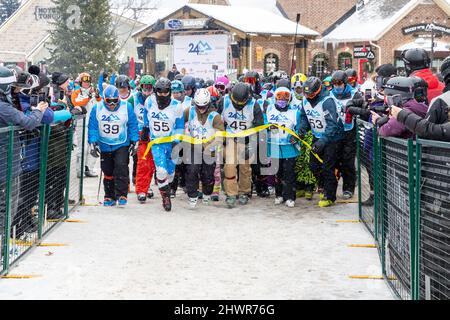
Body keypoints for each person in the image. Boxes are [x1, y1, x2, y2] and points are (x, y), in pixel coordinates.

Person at [0, 66, 47, 241]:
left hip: (7, 162)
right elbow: (28, 122)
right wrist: (38, 111)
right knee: (7, 207)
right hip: (6, 165)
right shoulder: (4, 107)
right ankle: (2, 248)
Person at [88, 85, 139, 207]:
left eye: (115, 101)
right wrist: (93, 142)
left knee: (121, 166)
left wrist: (134, 140)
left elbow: (132, 124)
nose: (112, 104)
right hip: (105, 143)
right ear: (104, 99)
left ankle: (121, 194)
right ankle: (109, 196)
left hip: (121, 143)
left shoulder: (126, 107)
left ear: (118, 99)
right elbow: (93, 126)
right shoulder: (97, 108)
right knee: (107, 170)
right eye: (109, 101)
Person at [300, 77, 344, 207]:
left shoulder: (327, 101)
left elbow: (332, 124)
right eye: (306, 94)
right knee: (313, 165)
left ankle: (330, 196)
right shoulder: (305, 101)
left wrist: (323, 141)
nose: (308, 97)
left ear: (318, 91)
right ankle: (322, 184)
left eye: (311, 94)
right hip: (316, 136)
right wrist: (302, 128)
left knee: (327, 167)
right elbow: (305, 116)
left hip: (332, 139)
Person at [142, 78, 184, 212]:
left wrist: (176, 142)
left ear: (169, 92)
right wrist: (146, 127)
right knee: (161, 171)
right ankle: (165, 197)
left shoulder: (177, 106)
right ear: (155, 91)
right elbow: (145, 114)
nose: (162, 94)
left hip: (171, 143)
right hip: (156, 142)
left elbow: (179, 126)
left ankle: (167, 186)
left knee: (170, 173)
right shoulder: (149, 101)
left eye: (166, 92)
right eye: (159, 92)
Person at [220, 83, 264, 208]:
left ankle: (244, 191)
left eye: (241, 103)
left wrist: (252, 145)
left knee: (245, 167)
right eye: (236, 102)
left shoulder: (254, 105)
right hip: (230, 138)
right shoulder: (224, 102)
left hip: (246, 139)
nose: (238, 105)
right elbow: (216, 118)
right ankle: (231, 194)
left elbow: (259, 125)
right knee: (229, 166)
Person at [390, 57, 450, 141]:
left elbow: (427, 132)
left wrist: (402, 115)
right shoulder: (439, 89)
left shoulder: (440, 100)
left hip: (438, 152)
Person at [184, 88, 225, 208]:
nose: (201, 109)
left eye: (204, 106)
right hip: (193, 146)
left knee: (208, 174)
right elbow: (179, 122)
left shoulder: (215, 116)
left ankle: (207, 193)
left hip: (210, 149)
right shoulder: (190, 111)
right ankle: (192, 195)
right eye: (198, 106)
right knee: (192, 170)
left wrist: (211, 146)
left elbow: (220, 135)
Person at [265, 87, 301, 208]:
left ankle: (290, 196)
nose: (282, 101)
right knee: (277, 172)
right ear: (275, 98)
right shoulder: (270, 109)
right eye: (279, 98)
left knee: (289, 173)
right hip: (274, 146)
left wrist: (295, 136)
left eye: (285, 98)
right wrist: (267, 129)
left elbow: (299, 127)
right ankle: (279, 195)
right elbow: (265, 124)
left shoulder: (294, 112)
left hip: (288, 147)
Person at [330, 70, 362, 199]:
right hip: (335, 131)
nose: (337, 87)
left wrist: (353, 110)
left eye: (339, 84)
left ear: (345, 83)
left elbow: (363, 110)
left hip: (349, 131)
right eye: (334, 84)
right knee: (334, 160)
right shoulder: (330, 94)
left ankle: (348, 188)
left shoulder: (354, 94)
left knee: (348, 160)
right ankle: (332, 186)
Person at [129, 75, 156, 200]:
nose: (147, 92)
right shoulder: (133, 99)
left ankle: (147, 185)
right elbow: (127, 115)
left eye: (149, 89)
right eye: (145, 89)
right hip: (139, 134)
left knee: (152, 164)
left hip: (154, 133)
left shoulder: (156, 100)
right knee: (142, 162)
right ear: (141, 88)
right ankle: (141, 189)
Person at [71, 72, 101, 178]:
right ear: (80, 82)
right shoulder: (76, 92)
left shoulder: (93, 92)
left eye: (88, 81)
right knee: (82, 147)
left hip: (93, 123)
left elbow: (100, 104)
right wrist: (88, 97)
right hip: (81, 123)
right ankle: (80, 169)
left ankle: (89, 168)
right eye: (84, 81)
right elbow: (77, 103)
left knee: (94, 146)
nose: (87, 83)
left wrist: (97, 96)